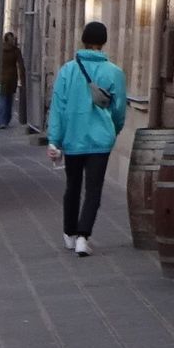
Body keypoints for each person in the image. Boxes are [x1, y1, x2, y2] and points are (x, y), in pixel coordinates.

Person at [47, 20, 126, 256]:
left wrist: (54, 139)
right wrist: (113, 130)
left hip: (73, 138)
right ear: (104, 42)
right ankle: (84, 236)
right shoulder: (114, 72)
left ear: (83, 40)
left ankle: (69, 233)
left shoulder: (68, 70)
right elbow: (119, 109)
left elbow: (58, 107)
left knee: (72, 186)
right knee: (94, 189)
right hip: (100, 141)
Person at [0, 31, 25, 129]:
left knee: (2, 99)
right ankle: (6, 119)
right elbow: (21, 65)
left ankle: (2, 121)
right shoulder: (16, 50)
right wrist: (22, 79)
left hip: (1, 78)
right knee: (9, 99)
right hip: (12, 78)